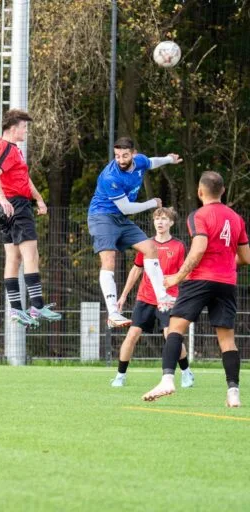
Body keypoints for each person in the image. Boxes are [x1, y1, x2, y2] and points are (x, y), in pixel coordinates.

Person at [143, 171, 250, 407]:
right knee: (227, 340)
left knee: (175, 329)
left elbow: (199, 247)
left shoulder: (198, 215)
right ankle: (233, 391)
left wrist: (177, 277)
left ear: (200, 192)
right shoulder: (236, 218)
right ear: (222, 191)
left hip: (199, 280)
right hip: (227, 283)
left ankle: (168, 379)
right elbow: (245, 257)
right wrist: (224, 266)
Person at [88, 137, 183, 328]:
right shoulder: (110, 177)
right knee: (109, 260)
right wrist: (152, 203)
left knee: (150, 248)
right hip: (102, 216)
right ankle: (113, 313)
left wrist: (168, 159)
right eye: (117, 156)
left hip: (120, 219)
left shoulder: (139, 161)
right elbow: (126, 208)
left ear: (133, 153)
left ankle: (162, 297)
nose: (120, 160)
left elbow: (151, 162)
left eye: (124, 155)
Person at [0, 109, 61, 327]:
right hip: (15, 205)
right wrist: (3, 198)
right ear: (13, 129)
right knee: (31, 254)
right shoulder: (7, 148)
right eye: (23, 127)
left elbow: (24, 178)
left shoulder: (13, 149)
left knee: (14, 258)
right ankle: (37, 305)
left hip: (12, 205)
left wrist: (39, 199)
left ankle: (17, 309)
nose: (26, 130)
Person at [111, 207, 194, 387]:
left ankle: (186, 373)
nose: (160, 222)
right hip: (145, 298)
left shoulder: (178, 246)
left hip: (168, 298)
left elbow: (184, 273)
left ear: (171, 222)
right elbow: (136, 270)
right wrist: (123, 295)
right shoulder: (146, 245)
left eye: (164, 219)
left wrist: (181, 290)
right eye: (157, 219)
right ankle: (120, 376)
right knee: (132, 335)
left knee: (170, 335)